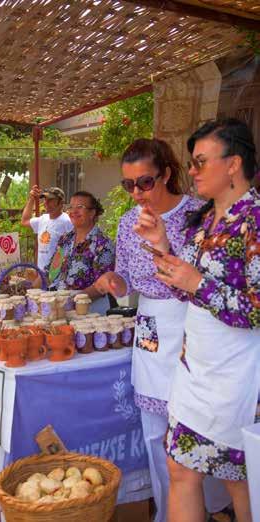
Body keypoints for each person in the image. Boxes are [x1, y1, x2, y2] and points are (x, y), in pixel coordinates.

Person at [94, 138, 230, 522]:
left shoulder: (198, 216)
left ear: (167, 174)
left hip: (194, 325)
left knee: (201, 428)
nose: (137, 193)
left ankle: (214, 507)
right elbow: (127, 281)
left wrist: (163, 244)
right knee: (156, 434)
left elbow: (203, 279)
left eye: (145, 182)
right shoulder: (126, 223)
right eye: (128, 185)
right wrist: (116, 284)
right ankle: (170, 512)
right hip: (151, 328)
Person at [134, 118, 259, 522]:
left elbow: (256, 309)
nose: (192, 170)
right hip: (197, 371)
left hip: (237, 376)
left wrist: (199, 283)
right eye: (191, 162)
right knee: (179, 467)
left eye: (201, 162)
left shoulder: (254, 220)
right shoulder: (206, 220)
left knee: (242, 481)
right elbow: (182, 286)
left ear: (233, 164)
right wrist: (162, 247)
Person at [46, 190, 115, 314]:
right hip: (62, 309)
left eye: (80, 207)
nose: (73, 211)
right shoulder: (65, 239)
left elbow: (102, 285)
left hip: (91, 312)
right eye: (71, 207)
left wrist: (73, 301)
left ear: (92, 213)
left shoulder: (103, 243)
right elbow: (52, 271)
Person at [21, 185, 72, 271]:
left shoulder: (67, 221)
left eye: (50, 200)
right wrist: (31, 199)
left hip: (57, 276)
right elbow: (24, 221)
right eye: (45, 199)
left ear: (61, 203)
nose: (46, 203)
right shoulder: (43, 219)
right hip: (41, 274)